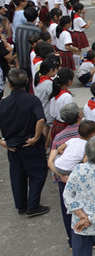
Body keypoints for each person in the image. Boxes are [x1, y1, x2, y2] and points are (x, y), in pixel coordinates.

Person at [0, 68, 49, 217]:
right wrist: (36, 137)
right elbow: (40, 119)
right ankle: (32, 206)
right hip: (30, 144)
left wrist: (2, 142)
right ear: (27, 81)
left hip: (12, 145)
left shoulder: (3, 103)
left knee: (17, 175)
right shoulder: (32, 100)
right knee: (37, 174)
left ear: (9, 85)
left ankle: (21, 205)